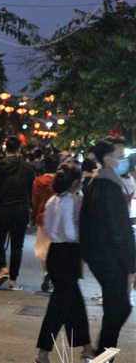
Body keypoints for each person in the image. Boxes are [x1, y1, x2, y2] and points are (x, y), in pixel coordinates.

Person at [79, 137, 135, 357]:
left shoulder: (100, 182)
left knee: (117, 307)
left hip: (100, 255)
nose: (124, 161)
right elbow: (119, 231)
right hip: (108, 256)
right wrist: (131, 264)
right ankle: (102, 356)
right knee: (120, 307)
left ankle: (101, 355)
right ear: (107, 159)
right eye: (120, 156)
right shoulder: (108, 187)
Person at [34, 162, 94, 363]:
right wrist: (81, 235)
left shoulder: (53, 200)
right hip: (68, 254)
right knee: (60, 307)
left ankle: (87, 348)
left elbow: (49, 229)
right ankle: (43, 352)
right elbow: (69, 231)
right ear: (75, 182)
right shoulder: (70, 201)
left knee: (73, 303)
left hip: (55, 252)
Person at [0, 136, 35, 290]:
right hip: (21, 209)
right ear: (19, 149)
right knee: (17, 245)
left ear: (5, 148)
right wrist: (32, 208)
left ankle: (3, 268)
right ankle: (13, 281)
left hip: (2, 208)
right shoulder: (27, 167)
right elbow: (32, 190)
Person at [32, 154, 59, 293]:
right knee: (56, 248)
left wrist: (34, 216)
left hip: (43, 217)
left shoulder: (39, 181)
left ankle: (46, 272)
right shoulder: (62, 180)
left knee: (43, 250)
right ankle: (54, 274)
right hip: (58, 219)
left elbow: (36, 201)